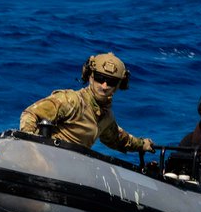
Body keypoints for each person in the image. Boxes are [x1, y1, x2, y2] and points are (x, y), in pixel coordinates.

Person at [19, 52, 153, 154]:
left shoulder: (106, 116)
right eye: (100, 79)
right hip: (48, 157)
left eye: (111, 82)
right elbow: (30, 114)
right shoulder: (71, 100)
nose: (104, 85)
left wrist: (142, 144)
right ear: (90, 77)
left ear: (118, 85)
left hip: (71, 166)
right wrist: (31, 148)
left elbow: (119, 139)